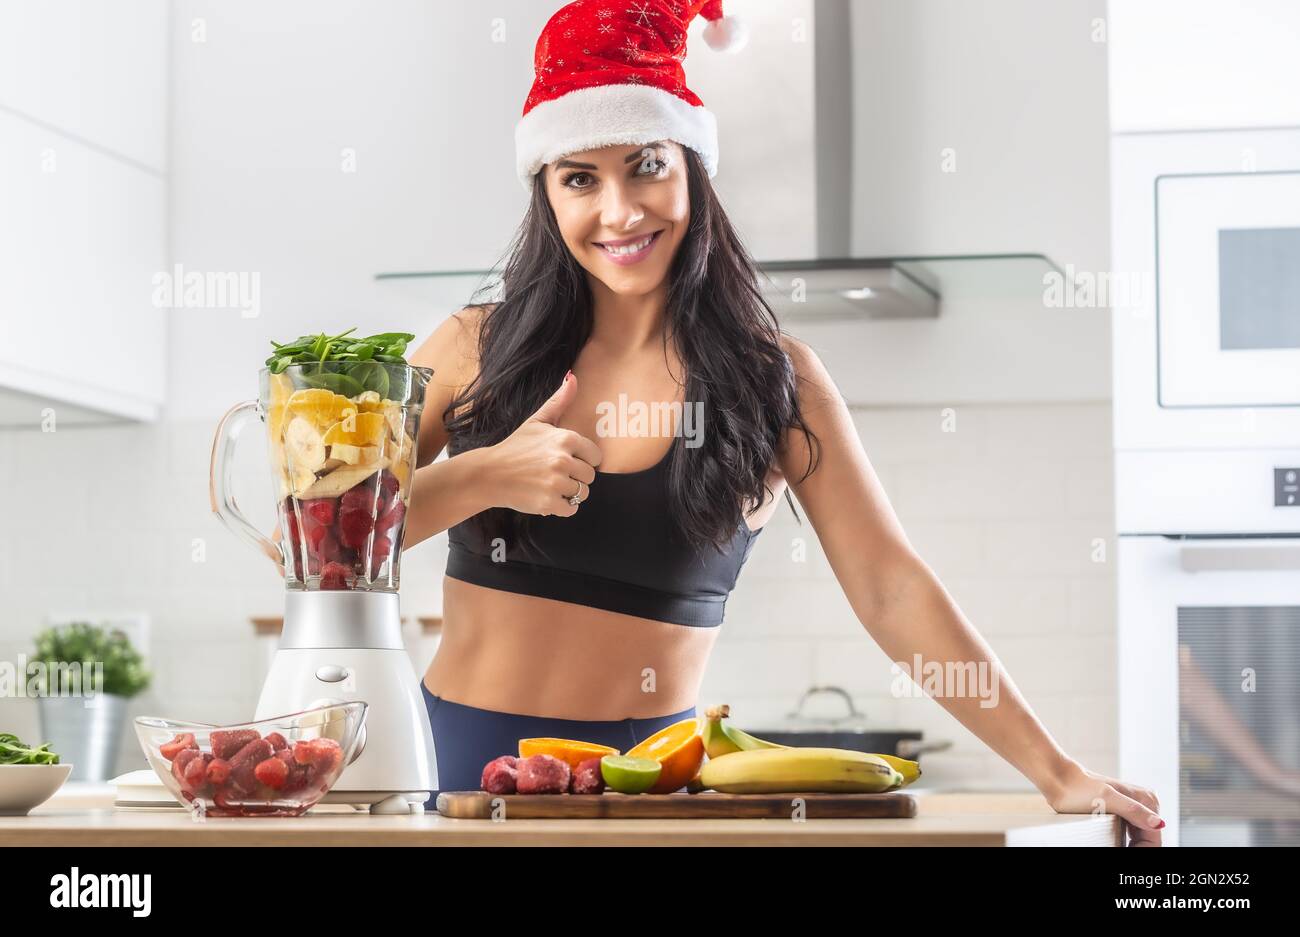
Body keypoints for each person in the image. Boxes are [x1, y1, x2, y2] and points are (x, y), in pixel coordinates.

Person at [401, 0, 1163, 843]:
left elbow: (891, 586)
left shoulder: (776, 380)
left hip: (663, 791)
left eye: (645, 165)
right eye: (579, 177)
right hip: (455, 773)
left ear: (692, 168)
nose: (618, 212)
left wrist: (1056, 772)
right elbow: (313, 545)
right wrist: (480, 475)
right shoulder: (473, 346)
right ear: (546, 192)